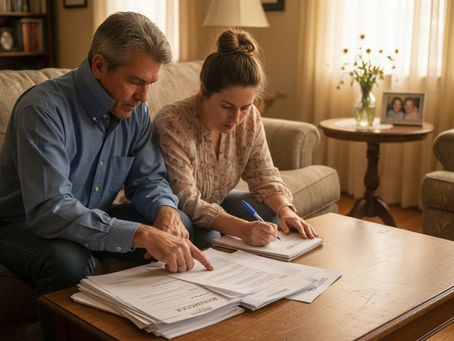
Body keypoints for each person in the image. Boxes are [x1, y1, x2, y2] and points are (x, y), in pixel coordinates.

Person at [0, 12, 214, 340]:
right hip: (21, 224)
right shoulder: (43, 110)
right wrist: (140, 235)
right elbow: (50, 210)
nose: (144, 97)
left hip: (91, 212)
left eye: (150, 84)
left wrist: (164, 209)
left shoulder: (135, 109)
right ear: (99, 65)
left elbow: (148, 178)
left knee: (179, 226)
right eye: (135, 81)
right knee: (68, 263)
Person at [154, 29, 318, 248]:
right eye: (227, 107)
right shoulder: (172, 122)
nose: (236, 118)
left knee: (274, 219)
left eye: (245, 107)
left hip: (218, 202)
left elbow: (264, 176)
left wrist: (286, 210)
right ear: (203, 90)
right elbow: (187, 201)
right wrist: (243, 229)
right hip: (179, 212)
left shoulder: (250, 119)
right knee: (208, 238)